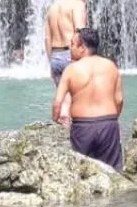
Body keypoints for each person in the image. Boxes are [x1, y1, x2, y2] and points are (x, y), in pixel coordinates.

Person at [53, 27, 123, 170]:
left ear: (83, 47)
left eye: (72, 44)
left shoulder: (71, 70)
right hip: (108, 125)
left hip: (82, 127)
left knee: (81, 174)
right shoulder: (111, 66)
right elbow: (119, 100)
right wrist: (112, 121)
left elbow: (57, 103)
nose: (70, 48)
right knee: (114, 175)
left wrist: (56, 118)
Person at [43, 0, 92, 124]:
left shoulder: (52, 7)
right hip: (71, 55)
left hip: (55, 57)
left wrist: (50, 62)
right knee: (78, 99)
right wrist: (84, 59)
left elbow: (47, 38)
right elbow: (80, 31)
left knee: (64, 98)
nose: (85, 0)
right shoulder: (77, 4)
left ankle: (64, 132)